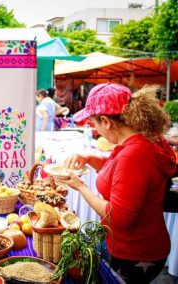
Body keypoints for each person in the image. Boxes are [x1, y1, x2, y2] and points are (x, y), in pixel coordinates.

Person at [59, 83, 175, 283]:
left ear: (106, 121)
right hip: (141, 247)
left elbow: (118, 217)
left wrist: (80, 187)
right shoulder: (140, 142)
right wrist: (90, 158)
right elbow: (123, 172)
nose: (95, 130)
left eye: (93, 123)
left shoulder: (134, 154)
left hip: (134, 255)